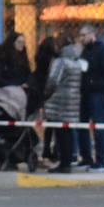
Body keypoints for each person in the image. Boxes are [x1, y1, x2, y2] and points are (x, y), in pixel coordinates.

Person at [76, 23, 104, 172]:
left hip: (98, 93)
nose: (81, 38)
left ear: (92, 34)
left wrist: (95, 83)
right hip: (85, 92)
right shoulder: (85, 51)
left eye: (83, 35)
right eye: (80, 35)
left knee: (99, 126)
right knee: (82, 125)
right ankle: (86, 158)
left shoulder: (103, 51)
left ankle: (101, 161)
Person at [43, 35, 82, 174]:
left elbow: (53, 81)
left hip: (59, 103)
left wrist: (45, 96)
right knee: (68, 133)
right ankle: (67, 161)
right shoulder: (77, 62)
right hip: (72, 103)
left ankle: (63, 164)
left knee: (60, 134)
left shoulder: (60, 62)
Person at [30, 34, 62, 161]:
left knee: (49, 123)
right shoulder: (54, 61)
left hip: (41, 92)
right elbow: (52, 79)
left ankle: (46, 149)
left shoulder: (40, 59)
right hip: (50, 93)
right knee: (54, 123)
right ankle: (52, 150)